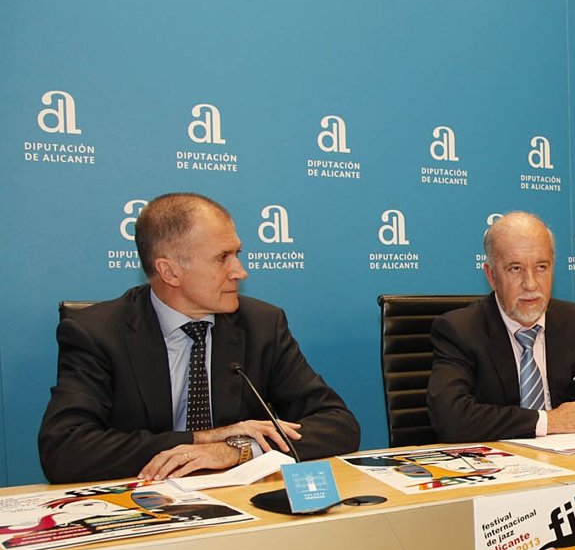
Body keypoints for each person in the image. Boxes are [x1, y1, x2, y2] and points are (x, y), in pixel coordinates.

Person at [38, 193, 360, 484]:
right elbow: (64, 450)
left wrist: (237, 449)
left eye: (237, 254)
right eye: (222, 258)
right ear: (170, 272)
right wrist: (202, 439)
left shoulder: (262, 324)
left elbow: (338, 424)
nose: (240, 271)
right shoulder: (97, 332)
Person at [427, 212, 575, 442]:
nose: (531, 284)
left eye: (541, 267)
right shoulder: (460, 330)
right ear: (491, 276)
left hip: (567, 458)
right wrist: (549, 422)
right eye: (515, 268)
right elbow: (450, 418)